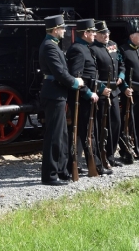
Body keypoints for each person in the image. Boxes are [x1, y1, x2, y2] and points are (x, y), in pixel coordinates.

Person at [39, 15, 85, 186]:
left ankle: (61, 170)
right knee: (54, 136)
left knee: (62, 135)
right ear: (55, 29)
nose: (65, 31)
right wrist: (75, 82)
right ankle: (49, 176)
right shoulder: (50, 47)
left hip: (58, 93)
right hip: (54, 94)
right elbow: (59, 72)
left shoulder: (53, 45)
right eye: (63, 28)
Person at [66, 19, 107, 175]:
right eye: (93, 32)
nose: (95, 34)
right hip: (82, 99)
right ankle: (95, 165)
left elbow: (90, 76)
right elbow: (76, 77)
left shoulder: (85, 48)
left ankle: (77, 165)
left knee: (87, 131)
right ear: (85, 33)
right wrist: (88, 93)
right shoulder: (78, 50)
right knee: (88, 132)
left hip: (88, 96)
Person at [90, 20, 125, 167]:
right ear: (96, 35)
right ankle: (100, 156)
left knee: (116, 122)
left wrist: (121, 77)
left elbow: (121, 64)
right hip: (102, 91)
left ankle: (110, 155)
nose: (106, 35)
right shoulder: (92, 49)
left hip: (115, 91)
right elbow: (92, 73)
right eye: (102, 33)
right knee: (101, 126)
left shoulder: (113, 45)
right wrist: (100, 87)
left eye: (107, 32)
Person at [119, 19, 139, 160]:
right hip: (130, 93)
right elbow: (120, 71)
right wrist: (125, 88)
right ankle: (125, 151)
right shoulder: (123, 50)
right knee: (128, 123)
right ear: (132, 36)